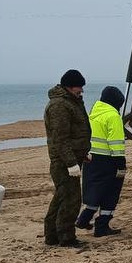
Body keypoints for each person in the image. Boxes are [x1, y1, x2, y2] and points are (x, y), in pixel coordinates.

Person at [44, 69, 90, 248]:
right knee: (71, 199)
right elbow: (60, 139)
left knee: (62, 197)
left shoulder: (72, 101)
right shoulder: (60, 106)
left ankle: (52, 236)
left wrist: (82, 153)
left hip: (72, 157)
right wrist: (71, 163)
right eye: (79, 88)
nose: (82, 91)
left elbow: (76, 132)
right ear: (70, 87)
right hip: (63, 162)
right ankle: (66, 238)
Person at [75, 86, 127, 237]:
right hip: (109, 160)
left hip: (91, 158)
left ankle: (84, 219)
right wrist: (121, 163)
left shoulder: (93, 112)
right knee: (111, 193)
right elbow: (116, 142)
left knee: (94, 190)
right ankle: (102, 226)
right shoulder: (113, 116)